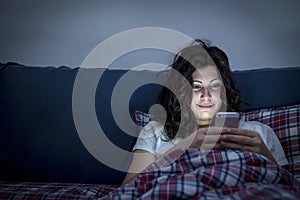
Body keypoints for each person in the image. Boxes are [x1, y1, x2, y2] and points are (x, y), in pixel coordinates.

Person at [122, 39, 288, 185]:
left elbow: (291, 189)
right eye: (196, 86)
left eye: (214, 86)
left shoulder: (258, 132)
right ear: (181, 92)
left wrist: (265, 155)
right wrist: (184, 149)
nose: (206, 96)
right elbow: (127, 189)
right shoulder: (155, 130)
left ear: (224, 92)